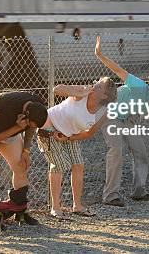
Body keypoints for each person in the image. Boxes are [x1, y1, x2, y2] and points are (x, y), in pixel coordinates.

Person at [95, 36, 149, 206]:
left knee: (141, 152)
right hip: (110, 116)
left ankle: (139, 191)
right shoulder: (140, 86)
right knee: (116, 151)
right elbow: (118, 71)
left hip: (126, 120)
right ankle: (110, 195)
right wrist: (100, 55)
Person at [38, 74, 117, 219]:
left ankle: (77, 206)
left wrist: (68, 138)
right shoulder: (83, 93)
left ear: (105, 95)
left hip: (69, 134)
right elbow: (57, 89)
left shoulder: (103, 112)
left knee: (78, 165)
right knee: (60, 165)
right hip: (49, 127)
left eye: (99, 85)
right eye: (96, 82)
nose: (94, 84)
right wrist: (78, 91)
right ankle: (55, 207)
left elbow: (88, 133)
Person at [0, 91, 48, 230]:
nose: (32, 127)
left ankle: (20, 210)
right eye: (31, 123)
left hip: (12, 131)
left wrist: (26, 150)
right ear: (24, 115)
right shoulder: (5, 106)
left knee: (21, 166)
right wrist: (18, 127)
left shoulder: (37, 105)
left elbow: (31, 128)